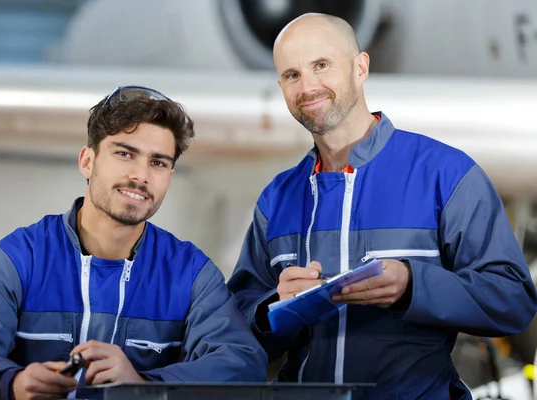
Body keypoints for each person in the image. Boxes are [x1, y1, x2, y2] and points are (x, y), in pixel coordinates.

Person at [227, 13, 537, 399]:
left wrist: (412, 286)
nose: (308, 86)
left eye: (321, 65)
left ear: (360, 67)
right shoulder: (276, 199)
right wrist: (270, 308)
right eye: (292, 75)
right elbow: (232, 338)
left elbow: (512, 300)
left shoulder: (446, 174)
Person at [0, 86, 268, 400]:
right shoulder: (20, 258)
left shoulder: (191, 274)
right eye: (125, 154)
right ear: (87, 161)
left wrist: (141, 386)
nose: (141, 175)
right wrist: (12, 383)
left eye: (158, 162)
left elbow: (242, 363)